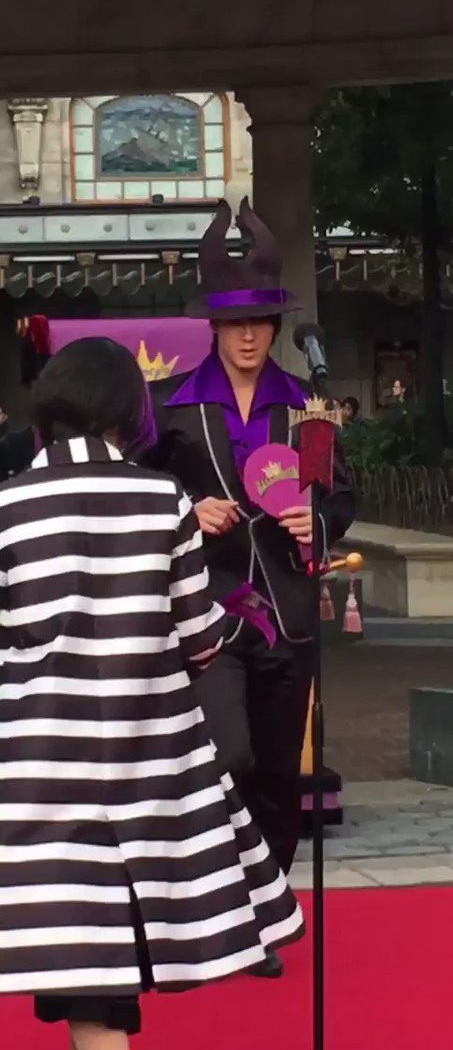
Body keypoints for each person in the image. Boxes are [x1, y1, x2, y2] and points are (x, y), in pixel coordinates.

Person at [0, 338, 304, 1050]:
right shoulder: (162, 499)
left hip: (39, 762)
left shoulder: (7, 507)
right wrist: (234, 622)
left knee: (70, 947)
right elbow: (197, 641)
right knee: (116, 950)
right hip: (145, 760)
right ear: (128, 411)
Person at [147, 199, 354, 978]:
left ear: (274, 327)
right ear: (212, 326)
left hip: (289, 614)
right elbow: (137, 491)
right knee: (227, 756)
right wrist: (185, 509)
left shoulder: (306, 407)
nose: (246, 337)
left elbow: (341, 496)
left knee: (276, 774)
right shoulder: (169, 408)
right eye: (233, 323)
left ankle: (264, 914)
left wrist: (315, 520)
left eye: (260, 323)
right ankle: (226, 899)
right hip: (207, 614)